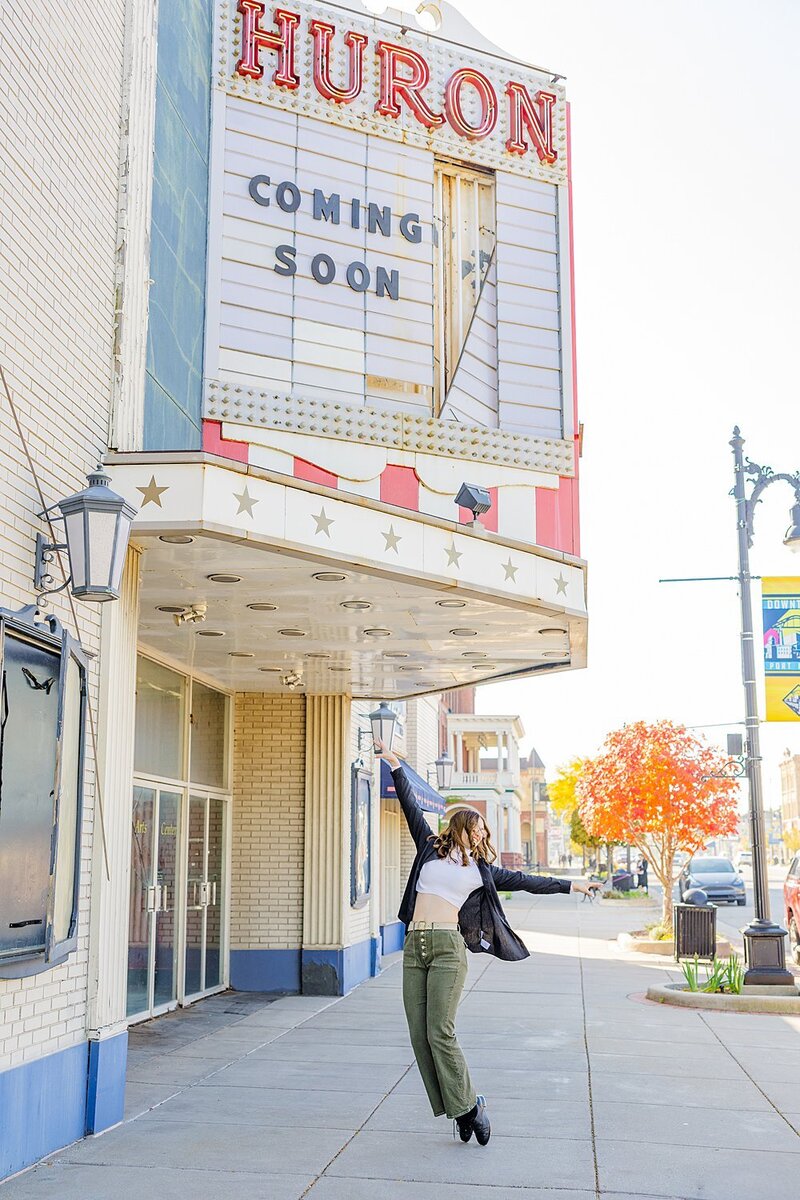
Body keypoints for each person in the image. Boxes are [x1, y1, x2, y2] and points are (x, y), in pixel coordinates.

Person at [378, 740, 601, 1146]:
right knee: (418, 1034)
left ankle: (469, 1108)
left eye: (484, 830)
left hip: (447, 948)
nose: (481, 833)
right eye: (476, 826)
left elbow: (531, 882)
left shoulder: (482, 872)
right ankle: (462, 1108)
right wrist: (394, 764)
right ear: (459, 827)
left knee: (440, 1031)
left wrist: (573, 884)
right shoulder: (429, 848)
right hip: (414, 948)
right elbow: (410, 806)